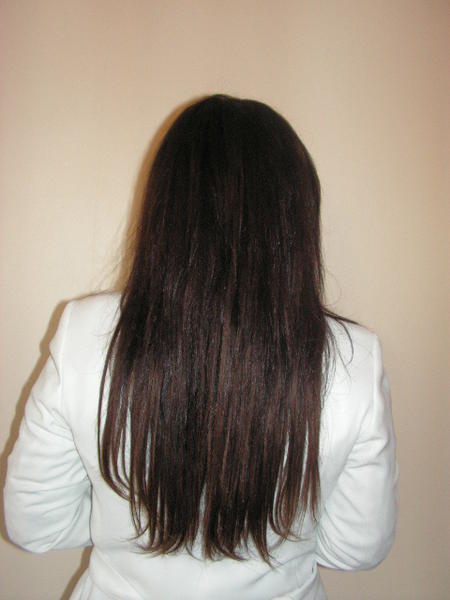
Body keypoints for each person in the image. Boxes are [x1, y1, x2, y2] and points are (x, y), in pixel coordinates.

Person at [4, 95, 398, 600]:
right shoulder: (353, 358)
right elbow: (358, 548)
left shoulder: (84, 332)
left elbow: (34, 524)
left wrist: (127, 529)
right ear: (295, 219)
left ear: (164, 209)